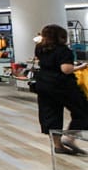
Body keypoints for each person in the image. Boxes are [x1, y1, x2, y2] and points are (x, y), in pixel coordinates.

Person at [34, 24, 88, 155]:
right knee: (83, 109)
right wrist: (80, 67)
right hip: (62, 86)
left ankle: (58, 145)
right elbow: (66, 69)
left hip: (43, 84)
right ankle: (69, 138)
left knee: (51, 114)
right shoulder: (63, 50)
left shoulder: (40, 48)